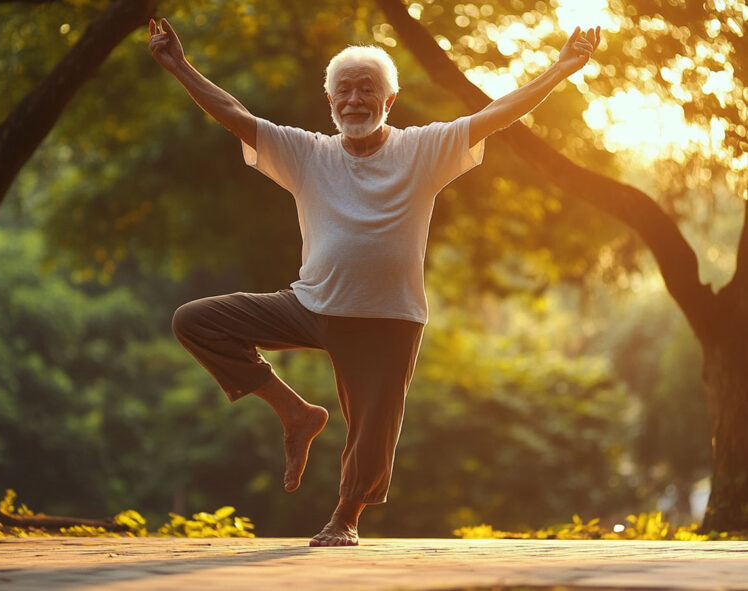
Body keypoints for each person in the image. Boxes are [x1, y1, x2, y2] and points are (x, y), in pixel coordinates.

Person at [149, 16, 600, 547]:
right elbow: (234, 115)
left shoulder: (423, 149)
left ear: (389, 101)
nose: (355, 99)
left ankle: (344, 519)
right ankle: (294, 412)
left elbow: (496, 114)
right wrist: (180, 66)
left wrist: (561, 69)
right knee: (197, 321)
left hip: (388, 315)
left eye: (368, 89)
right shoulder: (306, 153)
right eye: (344, 90)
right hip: (312, 303)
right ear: (330, 101)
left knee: (373, 432)